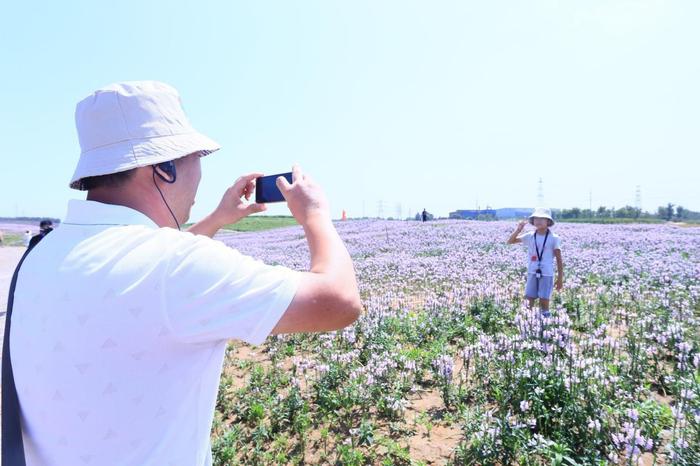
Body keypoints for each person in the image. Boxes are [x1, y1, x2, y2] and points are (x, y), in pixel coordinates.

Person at [7, 81, 362, 465]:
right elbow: (339, 301)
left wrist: (217, 219)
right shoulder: (176, 267)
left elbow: (144, 272)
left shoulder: (38, 255)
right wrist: (315, 215)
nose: (200, 174)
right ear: (164, 167)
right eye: (198, 158)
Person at [506, 207, 563, 317]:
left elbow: (559, 259)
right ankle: (528, 320)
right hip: (532, 271)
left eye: (542, 218)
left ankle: (546, 321)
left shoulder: (554, 238)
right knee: (529, 297)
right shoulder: (530, 236)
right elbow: (510, 241)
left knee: (544, 298)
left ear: (549, 222)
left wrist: (560, 278)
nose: (538, 221)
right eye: (536, 218)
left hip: (546, 273)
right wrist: (519, 229)